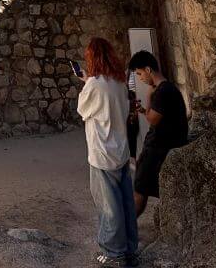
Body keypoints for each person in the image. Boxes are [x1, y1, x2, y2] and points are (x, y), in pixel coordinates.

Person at [78, 37, 139, 267]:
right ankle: (130, 248)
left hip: (102, 151)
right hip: (121, 149)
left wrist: (87, 82)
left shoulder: (94, 84)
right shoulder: (119, 82)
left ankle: (113, 253)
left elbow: (83, 109)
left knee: (108, 206)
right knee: (124, 202)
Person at [128, 50, 188, 217]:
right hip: (160, 145)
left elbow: (153, 119)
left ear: (148, 69)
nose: (140, 78)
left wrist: (148, 97)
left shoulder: (162, 91)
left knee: (140, 189)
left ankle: (127, 230)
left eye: (140, 73)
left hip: (158, 148)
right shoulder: (166, 89)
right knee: (141, 187)